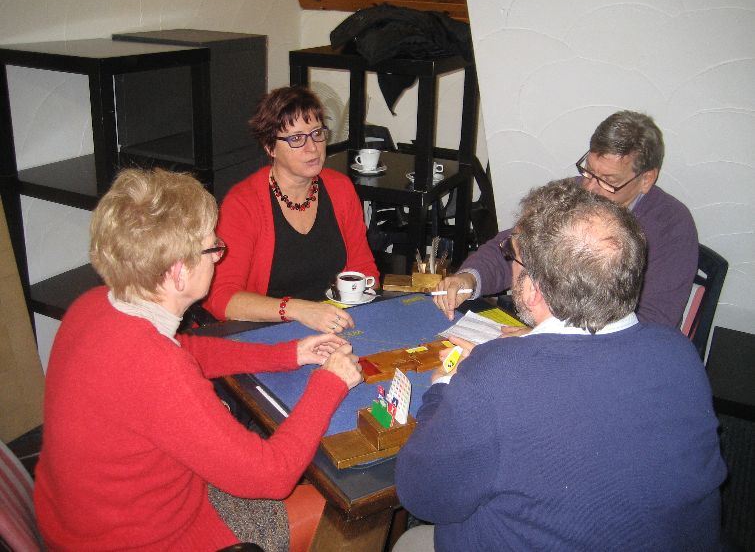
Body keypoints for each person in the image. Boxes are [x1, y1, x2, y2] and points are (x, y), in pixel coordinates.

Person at [33, 167, 363, 552]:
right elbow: (270, 477)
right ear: (177, 274)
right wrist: (330, 382)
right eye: (212, 248)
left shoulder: (93, 306)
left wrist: (288, 353)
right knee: (340, 510)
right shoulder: (156, 369)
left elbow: (187, 349)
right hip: (149, 540)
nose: (219, 256)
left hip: (76, 521)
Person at [394, 179, 725, 551]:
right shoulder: (678, 353)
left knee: (410, 541)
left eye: (514, 262)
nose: (510, 267)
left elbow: (423, 496)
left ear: (534, 289)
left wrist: (443, 390)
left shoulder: (495, 375)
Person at [434, 110, 698, 330]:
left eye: (609, 181)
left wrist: (546, 336)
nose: (591, 189)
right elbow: (513, 249)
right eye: (589, 172)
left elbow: (650, 323)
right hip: (550, 328)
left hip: (610, 352)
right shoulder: (572, 196)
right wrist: (469, 279)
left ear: (647, 179)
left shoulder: (673, 226)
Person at [204, 86, 379, 333]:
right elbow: (221, 298)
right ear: (270, 147)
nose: (313, 147)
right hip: (270, 329)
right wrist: (298, 310)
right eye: (296, 138)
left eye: (317, 133)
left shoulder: (340, 188)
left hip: (335, 322)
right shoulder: (243, 204)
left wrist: (347, 308)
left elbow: (364, 268)